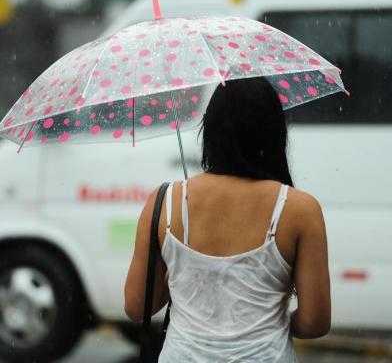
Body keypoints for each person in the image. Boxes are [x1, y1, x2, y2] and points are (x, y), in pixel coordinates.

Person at [124, 77, 331, 362]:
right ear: (274, 133)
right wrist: (269, 322)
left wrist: (178, 281)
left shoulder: (164, 202)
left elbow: (137, 307)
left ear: (210, 130)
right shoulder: (299, 210)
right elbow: (315, 322)